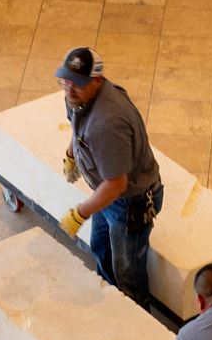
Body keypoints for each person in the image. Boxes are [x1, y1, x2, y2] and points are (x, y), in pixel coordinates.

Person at [53, 47, 164, 304]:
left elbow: (116, 185)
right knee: (100, 248)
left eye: (77, 84)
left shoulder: (107, 124)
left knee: (128, 274)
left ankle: (136, 322)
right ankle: (112, 304)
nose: (69, 90)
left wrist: (79, 213)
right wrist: (71, 155)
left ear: (97, 81)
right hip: (109, 196)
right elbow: (76, 124)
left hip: (130, 204)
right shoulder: (78, 98)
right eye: (65, 80)